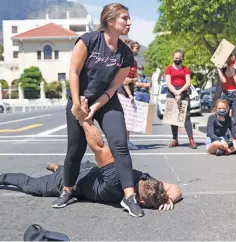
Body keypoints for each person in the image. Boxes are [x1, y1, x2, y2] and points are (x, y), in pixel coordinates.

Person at [0, 102, 182, 212]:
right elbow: (99, 146)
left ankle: (56, 166)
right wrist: (84, 119)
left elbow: (175, 188)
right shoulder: (115, 183)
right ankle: (4, 177)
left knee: (67, 167)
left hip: (89, 170)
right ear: (141, 202)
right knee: (29, 185)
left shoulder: (145, 180)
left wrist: (169, 199)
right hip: (67, 180)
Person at [58, 3, 144, 217]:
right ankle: (67, 190)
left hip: (106, 101)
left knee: (120, 145)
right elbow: (74, 71)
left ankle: (129, 197)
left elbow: (115, 86)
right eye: (125, 18)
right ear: (110, 21)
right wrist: (77, 105)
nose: (129, 22)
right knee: (75, 150)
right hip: (79, 98)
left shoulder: (125, 54)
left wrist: (96, 106)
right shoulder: (88, 40)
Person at [164, 50, 197, 149]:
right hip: (172, 92)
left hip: (183, 92)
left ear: (182, 58)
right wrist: (175, 92)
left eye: (179, 57)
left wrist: (180, 92)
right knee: (174, 118)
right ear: (173, 57)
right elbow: (168, 83)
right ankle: (175, 139)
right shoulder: (168, 69)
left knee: (186, 117)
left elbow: (188, 83)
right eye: (176, 57)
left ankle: (191, 139)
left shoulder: (185, 69)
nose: (177, 59)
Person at [117, 39, 140, 150]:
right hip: (121, 91)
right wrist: (130, 93)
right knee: (123, 117)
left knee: (129, 117)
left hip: (130, 91)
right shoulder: (121, 61)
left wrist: (132, 80)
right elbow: (124, 81)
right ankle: (122, 141)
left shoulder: (134, 63)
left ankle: (127, 141)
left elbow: (135, 78)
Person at [217, 52, 236, 136]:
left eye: (230, 57)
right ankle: (224, 135)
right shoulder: (223, 69)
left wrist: (233, 72)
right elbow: (224, 81)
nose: (229, 59)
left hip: (235, 94)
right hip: (225, 94)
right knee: (223, 116)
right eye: (227, 57)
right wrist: (218, 69)